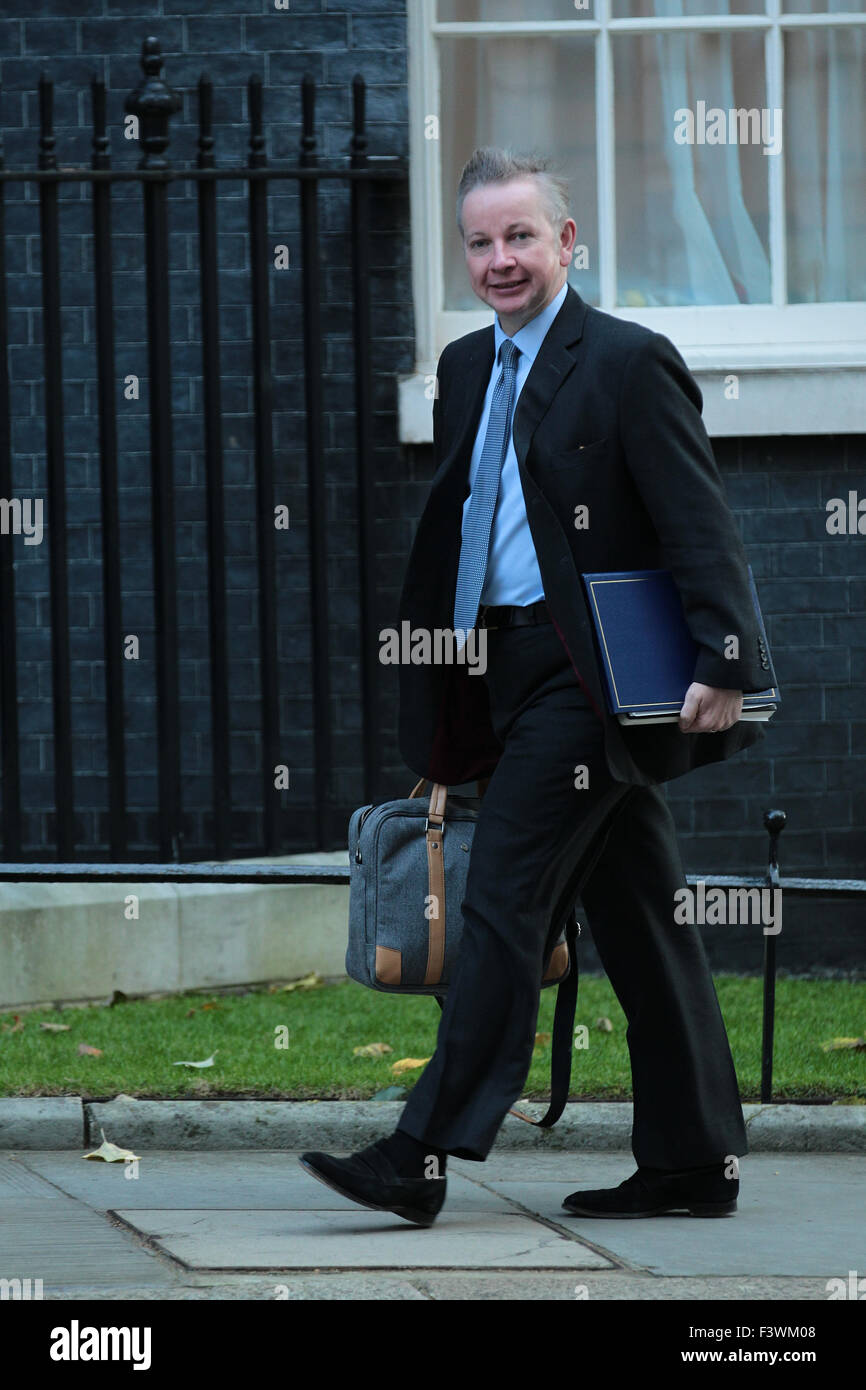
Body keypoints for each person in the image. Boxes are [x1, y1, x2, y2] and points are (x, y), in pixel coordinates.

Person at [299, 146, 771, 1227]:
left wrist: (726, 659)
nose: (499, 258)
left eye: (520, 236)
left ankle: (419, 1151)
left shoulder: (625, 360)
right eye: (479, 241)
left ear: (567, 243)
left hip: (586, 677)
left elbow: (696, 518)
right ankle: (692, 1160)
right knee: (643, 915)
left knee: (500, 899)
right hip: (496, 668)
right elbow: (472, 519)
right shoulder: (467, 366)